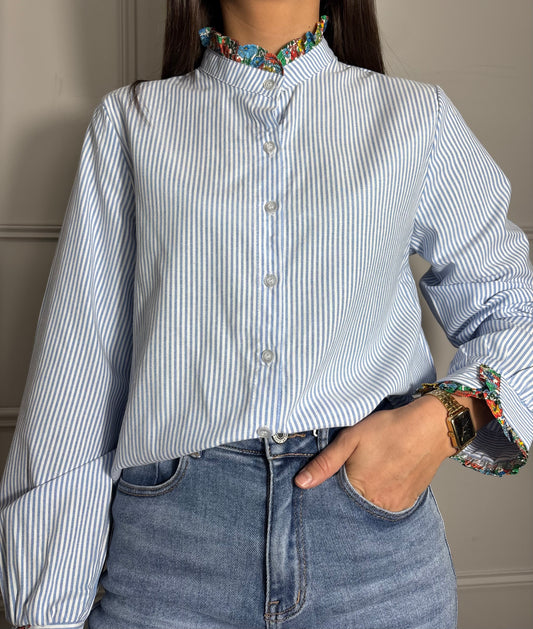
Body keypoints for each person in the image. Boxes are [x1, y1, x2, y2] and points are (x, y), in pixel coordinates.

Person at [1, 0, 532, 628]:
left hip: (372, 554)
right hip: (171, 556)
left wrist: (442, 424)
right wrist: (48, 608)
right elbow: (79, 374)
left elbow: (513, 305)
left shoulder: (416, 119)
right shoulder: (132, 122)